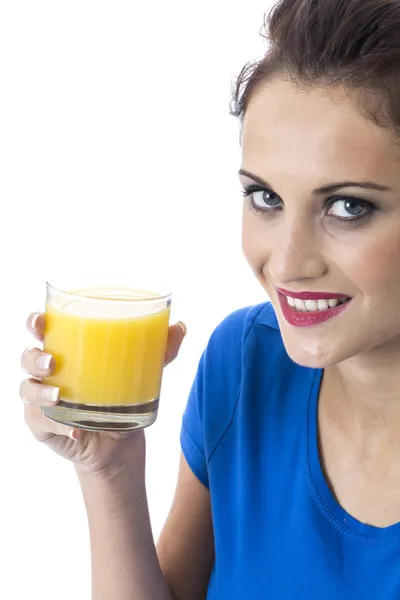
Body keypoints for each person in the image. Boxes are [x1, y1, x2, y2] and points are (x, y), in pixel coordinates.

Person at [19, 0, 400, 597]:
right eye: (266, 198)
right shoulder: (248, 362)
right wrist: (109, 468)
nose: (287, 262)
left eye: (348, 206)